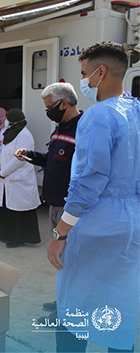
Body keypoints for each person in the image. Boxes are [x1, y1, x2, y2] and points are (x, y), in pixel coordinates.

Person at [47, 41, 140, 352]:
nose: (83, 80)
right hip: (132, 225)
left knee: (76, 307)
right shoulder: (136, 110)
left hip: (97, 225)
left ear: (101, 72)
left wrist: (60, 232)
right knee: (122, 304)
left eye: (84, 73)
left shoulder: (97, 116)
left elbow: (89, 180)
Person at [15, 82, 82, 320]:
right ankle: (62, 301)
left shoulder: (81, 129)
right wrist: (31, 156)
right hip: (54, 204)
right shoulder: (59, 128)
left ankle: (68, 311)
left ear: (64, 103)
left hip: (69, 206)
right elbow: (53, 160)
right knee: (61, 260)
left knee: (70, 260)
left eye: (49, 107)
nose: (47, 113)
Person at [0, 108, 40, 248]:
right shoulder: (8, 133)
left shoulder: (25, 135)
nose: (6, 120)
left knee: (19, 211)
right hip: (7, 177)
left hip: (18, 177)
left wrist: (4, 171)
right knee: (6, 207)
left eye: (8, 118)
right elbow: (3, 152)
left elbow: (19, 158)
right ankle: (5, 235)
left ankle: (19, 238)